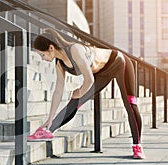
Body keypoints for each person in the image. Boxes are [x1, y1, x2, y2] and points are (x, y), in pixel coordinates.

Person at [27, 28, 146, 159]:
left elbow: (89, 80)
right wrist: (49, 119)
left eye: (42, 54)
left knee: (130, 103)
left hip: (118, 62)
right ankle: (48, 130)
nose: (42, 59)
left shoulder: (75, 50)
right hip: (101, 73)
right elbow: (58, 91)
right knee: (75, 101)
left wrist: (80, 91)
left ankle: (137, 146)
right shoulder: (60, 64)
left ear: (51, 48)